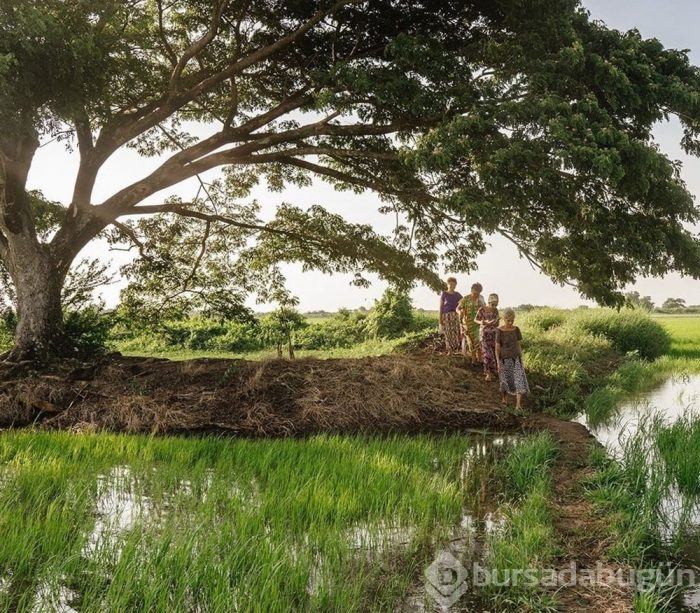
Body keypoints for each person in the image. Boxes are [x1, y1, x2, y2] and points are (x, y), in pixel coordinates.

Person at [496, 307, 530, 411]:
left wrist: (521, 357)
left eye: (512, 320)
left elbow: (518, 344)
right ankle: (504, 399)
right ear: (504, 319)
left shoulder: (516, 329)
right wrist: (498, 362)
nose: (510, 322)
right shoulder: (499, 331)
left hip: (516, 359)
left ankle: (518, 405)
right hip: (505, 359)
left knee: (519, 380)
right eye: (508, 320)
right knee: (505, 380)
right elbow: (497, 347)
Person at [458, 283, 485, 366]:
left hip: (478, 324)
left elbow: (484, 309)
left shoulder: (481, 299)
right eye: (475, 293)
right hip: (468, 324)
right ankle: (474, 360)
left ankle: (480, 359)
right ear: (471, 290)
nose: (476, 295)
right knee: (470, 342)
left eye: (478, 293)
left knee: (479, 341)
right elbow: (458, 308)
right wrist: (461, 315)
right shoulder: (465, 299)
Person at [475, 293, 499, 380]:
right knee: (487, 354)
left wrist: (494, 321)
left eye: (496, 304)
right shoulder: (482, 309)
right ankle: (488, 373)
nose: (494, 306)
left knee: (494, 353)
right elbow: (476, 319)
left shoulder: (496, 311)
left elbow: (497, 323)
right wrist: (483, 322)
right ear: (489, 302)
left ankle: (494, 371)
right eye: (492, 304)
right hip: (484, 334)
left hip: (493, 335)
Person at [439, 277, 462, 353]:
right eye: (451, 284)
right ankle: (450, 350)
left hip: (455, 316)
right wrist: (440, 319)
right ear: (447, 284)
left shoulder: (458, 295)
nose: (452, 286)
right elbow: (441, 306)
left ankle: (457, 350)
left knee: (456, 332)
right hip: (446, 316)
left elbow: (464, 302)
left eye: (454, 284)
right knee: (448, 333)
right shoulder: (444, 293)